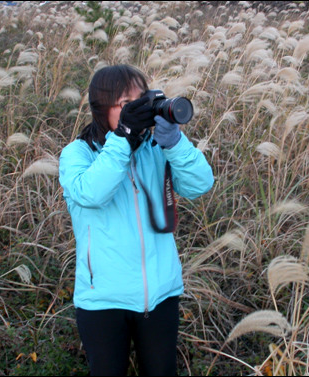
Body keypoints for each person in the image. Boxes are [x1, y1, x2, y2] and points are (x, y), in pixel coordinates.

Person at [58, 64, 214, 376]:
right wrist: (123, 139)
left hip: (159, 294)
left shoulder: (155, 149)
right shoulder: (78, 154)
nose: (139, 110)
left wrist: (175, 143)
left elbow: (199, 185)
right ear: (103, 108)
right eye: (128, 104)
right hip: (102, 299)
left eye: (143, 99)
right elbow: (91, 194)